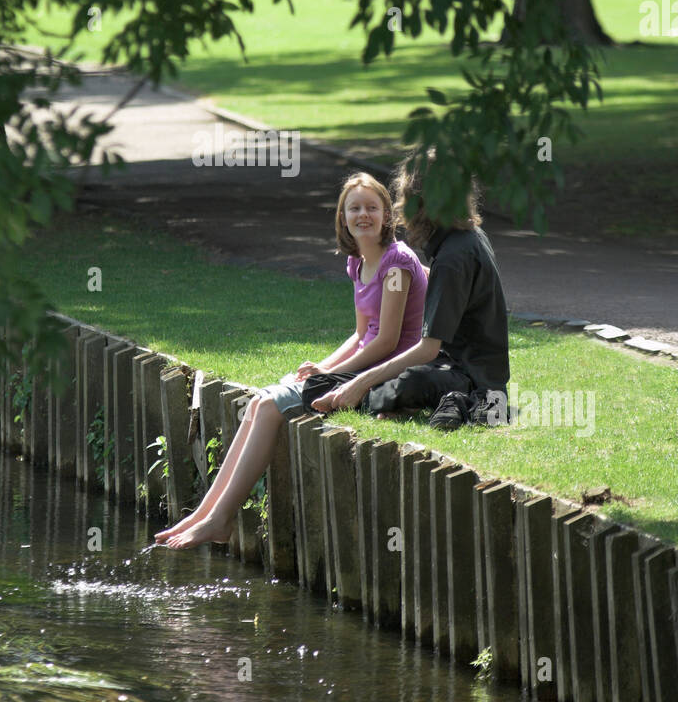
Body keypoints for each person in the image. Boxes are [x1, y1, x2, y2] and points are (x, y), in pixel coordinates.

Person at [156, 171, 428, 548]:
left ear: (387, 215)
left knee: (269, 407)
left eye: (371, 207)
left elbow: (386, 342)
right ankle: (205, 512)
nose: (363, 215)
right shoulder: (358, 262)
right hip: (366, 365)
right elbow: (360, 334)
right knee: (258, 402)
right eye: (354, 208)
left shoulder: (396, 264)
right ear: (343, 218)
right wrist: (321, 365)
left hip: (386, 376)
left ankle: (221, 518)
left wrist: (330, 373)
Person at [301, 154, 510, 430]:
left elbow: (427, 349)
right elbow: (444, 283)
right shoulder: (466, 239)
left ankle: (451, 403)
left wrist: (359, 383)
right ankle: (392, 399)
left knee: (401, 383)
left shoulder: (453, 256)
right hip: (459, 368)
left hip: (473, 378)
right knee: (343, 384)